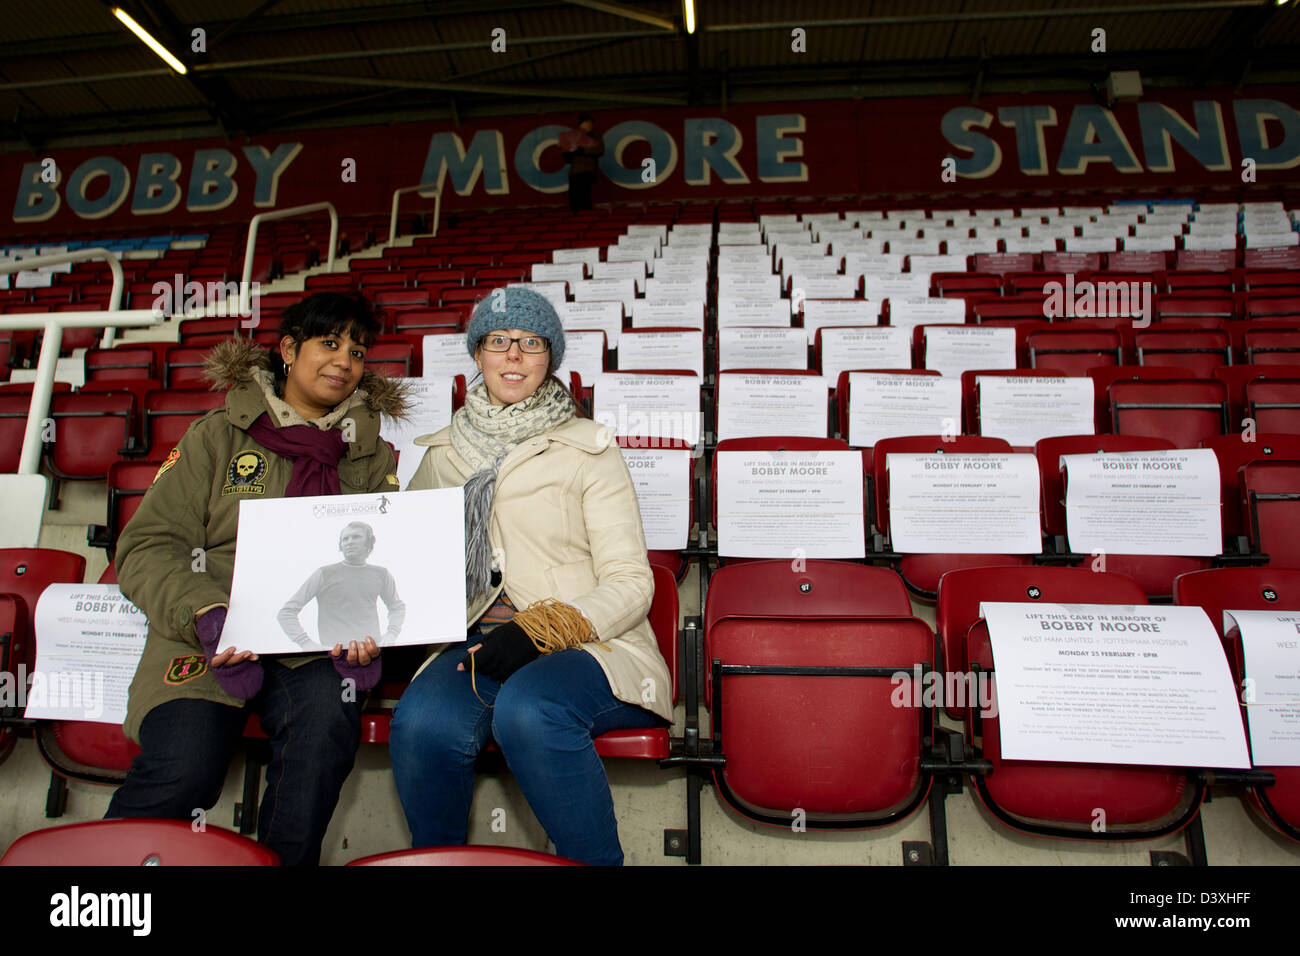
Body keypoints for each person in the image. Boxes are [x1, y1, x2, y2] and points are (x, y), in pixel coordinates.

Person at [105, 292, 410, 866]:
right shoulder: (215, 436)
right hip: (211, 633)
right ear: (288, 350)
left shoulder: (372, 456)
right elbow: (146, 545)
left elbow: (385, 561)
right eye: (329, 343)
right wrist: (204, 610)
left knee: (320, 745)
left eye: (358, 350)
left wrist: (362, 629)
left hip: (311, 643)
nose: (345, 360)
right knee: (182, 766)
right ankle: (106, 896)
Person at [389, 287, 673, 866]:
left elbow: (632, 582)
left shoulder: (591, 449)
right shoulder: (441, 454)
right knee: (420, 721)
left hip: (590, 644)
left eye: (530, 343)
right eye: (498, 341)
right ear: (478, 355)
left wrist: (539, 630)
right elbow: (409, 560)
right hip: (478, 646)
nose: (513, 355)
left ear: (550, 359)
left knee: (529, 707)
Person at [278, 521, 406, 651]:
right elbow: (286, 612)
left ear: (369, 542)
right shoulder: (324, 574)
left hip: (373, 652)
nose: (349, 542)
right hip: (334, 655)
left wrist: (392, 634)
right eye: (345, 539)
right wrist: (305, 643)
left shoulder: (381, 574)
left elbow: (397, 607)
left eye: (356, 537)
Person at [560, 113, 604, 213]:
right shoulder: (573, 136)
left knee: (585, 195)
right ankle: (575, 215)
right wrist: (567, 150)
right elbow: (567, 158)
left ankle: (585, 215)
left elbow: (599, 150)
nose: (589, 124)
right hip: (575, 171)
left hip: (588, 169)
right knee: (574, 196)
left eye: (590, 122)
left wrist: (582, 150)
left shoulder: (596, 137)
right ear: (581, 123)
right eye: (587, 122)